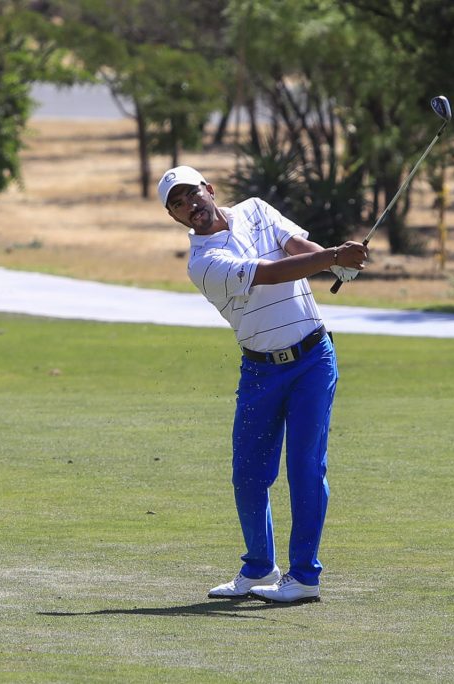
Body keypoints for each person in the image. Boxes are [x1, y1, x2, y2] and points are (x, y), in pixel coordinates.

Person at [157, 165, 368, 603]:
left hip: (313, 359)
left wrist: (335, 263)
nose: (189, 205)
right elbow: (270, 273)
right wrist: (334, 257)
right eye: (177, 204)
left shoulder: (256, 209)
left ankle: (303, 577)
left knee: (306, 467)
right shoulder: (202, 264)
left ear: (209, 189)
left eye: (192, 193)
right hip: (260, 372)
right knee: (249, 475)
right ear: (174, 217)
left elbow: (295, 247)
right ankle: (259, 567)